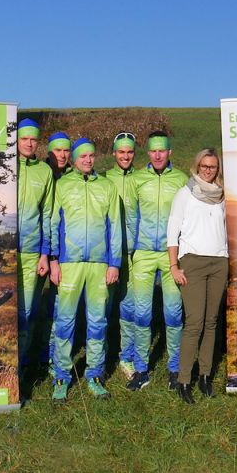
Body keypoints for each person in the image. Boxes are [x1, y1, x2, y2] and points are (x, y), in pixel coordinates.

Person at [48, 138, 122, 403]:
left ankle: (95, 375)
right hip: (69, 263)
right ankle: (61, 376)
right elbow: (53, 223)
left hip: (99, 264)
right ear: (74, 159)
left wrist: (114, 263)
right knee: (65, 322)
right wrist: (54, 259)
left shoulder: (108, 187)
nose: (88, 160)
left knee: (98, 322)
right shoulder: (62, 185)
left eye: (91, 156)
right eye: (83, 156)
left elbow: (115, 227)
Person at [125, 131, 188, 391]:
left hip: (171, 255)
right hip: (142, 254)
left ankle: (175, 369)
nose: (158, 155)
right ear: (148, 153)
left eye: (162, 150)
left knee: (173, 314)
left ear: (170, 152)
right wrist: (130, 255)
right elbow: (131, 219)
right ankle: (141, 370)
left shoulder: (182, 179)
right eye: (153, 150)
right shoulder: (138, 179)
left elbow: (188, 220)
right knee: (142, 314)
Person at [167, 148, 228, 404]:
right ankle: (183, 380)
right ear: (197, 165)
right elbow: (173, 230)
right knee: (194, 322)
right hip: (192, 262)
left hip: (219, 262)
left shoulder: (223, 196)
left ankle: (204, 376)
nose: (207, 170)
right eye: (204, 165)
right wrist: (174, 265)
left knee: (211, 322)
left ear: (218, 169)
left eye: (212, 167)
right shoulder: (185, 194)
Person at [15, 119, 53, 378]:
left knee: (26, 312)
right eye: (24, 138)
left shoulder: (45, 172)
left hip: (31, 252)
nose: (29, 143)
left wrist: (44, 254)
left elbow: (48, 214)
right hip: (3, 253)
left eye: (33, 139)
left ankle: (20, 366)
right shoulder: (5, 167)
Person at [106, 131, 138, 379]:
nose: (125, 156)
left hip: (134, 255)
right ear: (114, 153)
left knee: (129, 308)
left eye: (129, 152)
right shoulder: (105, 179)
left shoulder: (141, 178)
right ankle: (101, 355)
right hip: (108, 256)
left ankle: (126, 357)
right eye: (121, 152)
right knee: (103, 309)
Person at [44, 130, 72, 373]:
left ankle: (52, 356)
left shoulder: (73, 175)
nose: (62, 155)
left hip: (62, 250)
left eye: (66, 150)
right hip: (38, 246)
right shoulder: (43, 172)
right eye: (58, 150)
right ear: (49, 151)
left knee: (58, 303)